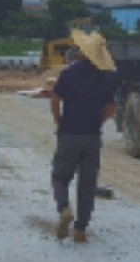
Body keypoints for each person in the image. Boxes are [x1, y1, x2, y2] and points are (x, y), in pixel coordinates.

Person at [50, 28, 117, 243]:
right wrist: (98, 122)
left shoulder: (69, 73)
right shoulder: (106, 79)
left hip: (70, 132)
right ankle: (80, 229)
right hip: (92, 136)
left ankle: (64, 209)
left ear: (82, 52)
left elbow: (55, 99)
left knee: (60, 176)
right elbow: (110, 109)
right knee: (87, 184)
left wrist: (59, 121)